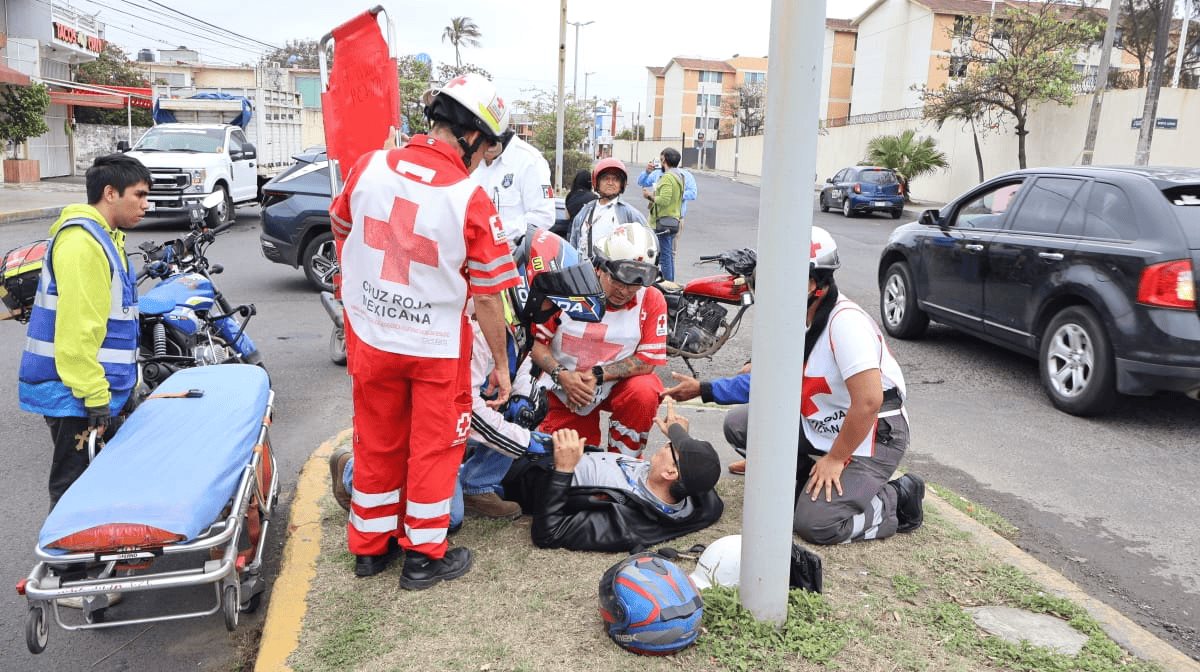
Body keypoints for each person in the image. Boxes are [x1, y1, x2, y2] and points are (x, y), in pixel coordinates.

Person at [330, 73, 520, 590]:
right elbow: (487, 296)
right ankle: (423, 558)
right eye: (487, 150)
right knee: (435, 449)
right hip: (435, 348)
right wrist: (501, 365)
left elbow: (342, 232)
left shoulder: (367, 168)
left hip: (372, 338)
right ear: (474, 136)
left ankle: (369, 549)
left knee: (376, 440)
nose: (482, 161)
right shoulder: (470, 199)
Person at [329, 228, 607, 571]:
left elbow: (518, 362)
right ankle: (351, 472)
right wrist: (529, 443)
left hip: (448, 406)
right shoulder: (478, 322)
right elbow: (466, 408)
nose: (553, 312)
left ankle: (479, 485)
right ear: (529, 289)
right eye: (551, 302)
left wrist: (524, 400)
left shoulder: (515, 314)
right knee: (447, 518)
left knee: (529, 403)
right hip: (429, 414)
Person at [661, 226, 926, 545]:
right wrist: (703, 390)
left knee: (816, 524)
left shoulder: (845, 325)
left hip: (873, 433)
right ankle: (804, 478)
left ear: (814, 284)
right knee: (741, 425)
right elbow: (768, 383)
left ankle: (899, 497)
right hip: (822, 421)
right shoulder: (795, 318)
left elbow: (869, 401)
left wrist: (836, 459)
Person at [19, 153, 151, 510]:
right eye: (138, 195)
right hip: (74, 392)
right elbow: (77, 332)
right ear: (110, 193)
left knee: (102, 482)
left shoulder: (106, 238)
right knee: (74, 492)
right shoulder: (83, 244)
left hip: (93, 387)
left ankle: (95, 559)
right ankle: (68, 567)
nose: (146, 204)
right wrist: (95, 397)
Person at [501, 399, 723, 552]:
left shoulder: (627, 524)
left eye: (671, 446)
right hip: (547, 449)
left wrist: (563, 470)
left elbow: (548, 534)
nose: (667, 442)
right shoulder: (696, 497)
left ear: (670, 472)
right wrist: (680, 436)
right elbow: (704, 477)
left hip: (524, 473)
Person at [531, 225, 667, 457]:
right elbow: (535, 345)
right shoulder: (565, 287)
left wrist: (597, 375)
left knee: (645, 390)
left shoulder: (652, 299)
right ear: (600, 267)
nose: (624, 291)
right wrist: (562, 376)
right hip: (564, 385)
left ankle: (625, 461)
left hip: (614, 383)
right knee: (568, 459)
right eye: (617, 281)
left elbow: (647, 360)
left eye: (634, 284)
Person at [472, 128, 555, 241]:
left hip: (512, 254)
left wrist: (495, 235)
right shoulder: (472, 158)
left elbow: (543, 217)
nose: (485, 148)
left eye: (489, 142)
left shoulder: (530, 160)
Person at [568, 157, 648, 259]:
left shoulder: (630, 213)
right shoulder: (585, 211)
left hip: (615, 272)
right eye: (606, 178)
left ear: (621, 184)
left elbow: (648, 242)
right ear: (597, 182)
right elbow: (574, 243)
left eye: (615, 179)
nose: (610, 182)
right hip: (586, 271)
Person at [640, 148, 685, 281]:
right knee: (668, 255)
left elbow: (664, 200)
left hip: (662, 221)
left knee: (663, 256)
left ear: (664, 159)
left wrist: (649, 196)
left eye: (661, 159)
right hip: (673, 219)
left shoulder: (667, 178)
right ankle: (669, 282)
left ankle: (667, 284)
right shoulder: (679, 176)